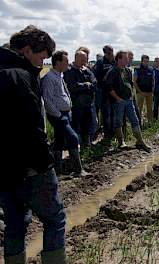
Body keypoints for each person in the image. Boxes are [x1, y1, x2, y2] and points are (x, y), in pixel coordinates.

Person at [0, 25, 66, 263]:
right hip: (30, 166)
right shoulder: (20, 76)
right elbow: (31, 128)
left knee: (15, 224)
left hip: (5, 169)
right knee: (54, 219)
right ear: (27, 50)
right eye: (41, 57)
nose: (42, 63)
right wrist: (44, 164)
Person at [43, 50, 90, 177]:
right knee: (73, 138)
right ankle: (78, 169)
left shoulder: (60, 76)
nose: (68, 64)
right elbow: (47, 100)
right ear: (58, 62)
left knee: (59, 140)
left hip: (65, 113)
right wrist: (58, 115)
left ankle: (57, 169)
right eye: (66, 61)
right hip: (59, 115)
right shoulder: (49, 78)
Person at [106, 51, 151, 152]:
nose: (128, 60)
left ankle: (140, 141)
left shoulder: (128, 71)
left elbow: (130, 84)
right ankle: (121, 142)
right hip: (118, 101)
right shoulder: (113, 71)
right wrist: (117, 98)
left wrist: (131, 96)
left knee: (134, 120)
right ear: (119, 59)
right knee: (118, 122)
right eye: (126, 58)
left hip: (128, 100)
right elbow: (109, 87)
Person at [64, 50, 98, 147]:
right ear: (76, 59)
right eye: (82, 60)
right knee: (76, 126)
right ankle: (77, 145)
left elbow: (95, 84)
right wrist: (86, 85)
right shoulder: (70, 71)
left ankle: (87, 144)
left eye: (86, 59)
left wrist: (84, 86)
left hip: (88, 104)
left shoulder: (87, 70)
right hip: (76, 105)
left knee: (87, 125)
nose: (84, 62)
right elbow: (72, 87)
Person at [93, 45, 115, 141]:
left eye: (112, 52)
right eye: (109, 53)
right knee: (106, 114)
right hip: (104, 92)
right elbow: (95, 78)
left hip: (114, 92)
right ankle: (107, 135)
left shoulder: (115, 62)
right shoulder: (100, 63)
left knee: (114, 113)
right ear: (105, 53)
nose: (111, 55)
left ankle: (114, 133)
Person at [134, 55, 155, 124]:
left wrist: (152, 90)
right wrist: (140, 91)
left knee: (150, 109)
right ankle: (138, 123)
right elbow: (134, 82)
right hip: (140, 92)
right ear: (142, 61)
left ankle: (150, 122)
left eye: (147, 61)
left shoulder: (151, 69)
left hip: (149, 92)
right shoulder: (137, 69)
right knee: (139, 108)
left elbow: (153, 80)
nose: (146, 63)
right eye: (145, 61)